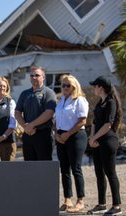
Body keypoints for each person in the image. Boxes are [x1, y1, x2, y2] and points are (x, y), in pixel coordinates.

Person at [87, 76, 123, 215]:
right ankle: (101, 204)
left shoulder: (111, 103)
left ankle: (117, 205)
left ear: (100, 87)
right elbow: (95, 123)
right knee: (99, 173)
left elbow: (108, 125)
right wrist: (91, 138)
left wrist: (95, 137)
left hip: (108, 141)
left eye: (95, 86)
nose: (93, 88)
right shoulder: (99, 103)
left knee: (110, 173)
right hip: (97, 142)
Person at [54, 75, 89, 213]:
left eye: (68, 85)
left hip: (75, 136)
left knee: (76, 168)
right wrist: (57, 134)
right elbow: (57, 120)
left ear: (74, 86)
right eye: (63, 85)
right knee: (64, 169)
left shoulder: (79, 100)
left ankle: (80, 200)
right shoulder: (61, 100)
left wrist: (67, 135)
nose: (65, 88)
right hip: (61, 136)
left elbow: (82, 120)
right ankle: (67, 199)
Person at [15, 66, 56, 161]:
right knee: (30, 167)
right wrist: (26, 126)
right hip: (28, 135)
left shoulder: (49, 93)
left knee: (44, 167)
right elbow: (17, 113)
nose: (34, 77)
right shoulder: (24, 94)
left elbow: (49, 113)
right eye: (31, 75)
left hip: (43, 134)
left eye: (37, 75)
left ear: (43, 77)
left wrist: (31, 125)